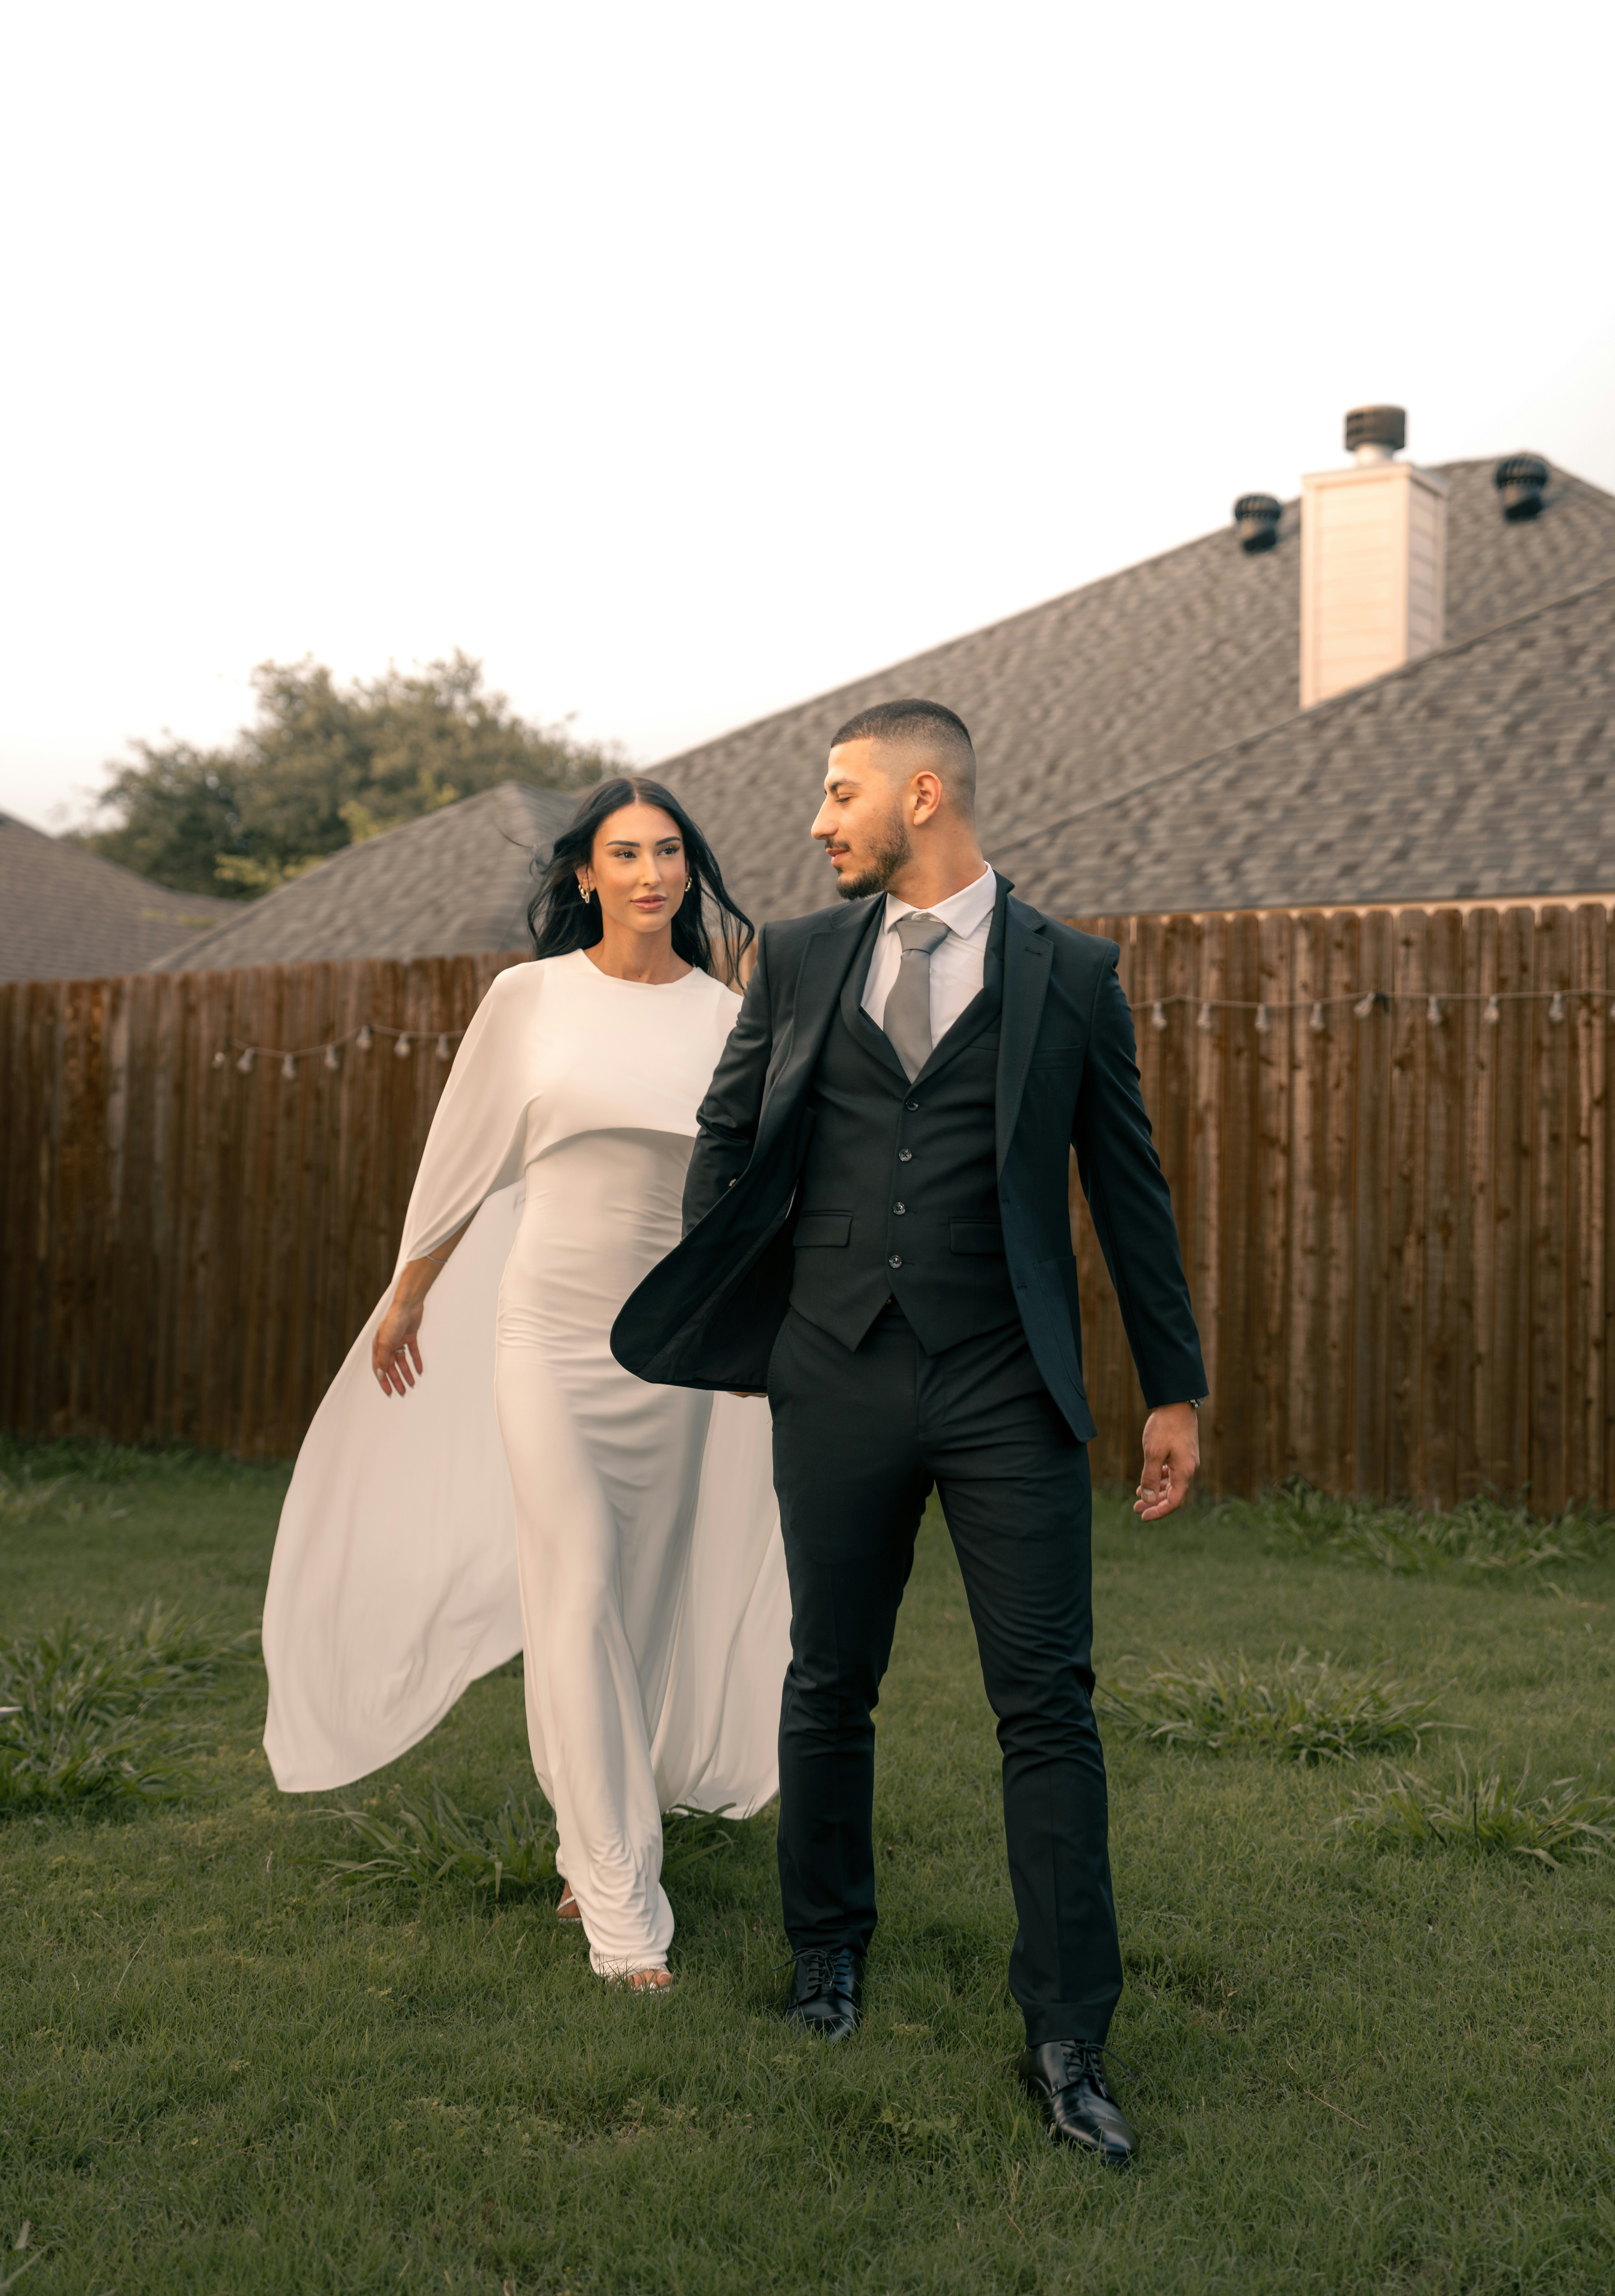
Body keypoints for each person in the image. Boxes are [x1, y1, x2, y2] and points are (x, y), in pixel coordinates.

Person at [613, 699, 1205, 2153]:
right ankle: (826, 1952)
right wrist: (752, 1319)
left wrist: (1173, 1387)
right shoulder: (802, 956)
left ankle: (1068, 2036)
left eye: (840, 795)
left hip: (1008, 1382)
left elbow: (1127, 1185)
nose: (819, 822)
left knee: (1048, 1706)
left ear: (922, 796)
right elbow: (731, 1135)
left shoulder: (1071, 972)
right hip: (835, 1373)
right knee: (830, 1676)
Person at [262, 779, 791, 1992]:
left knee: (636, 1610)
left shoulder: (727, 1017)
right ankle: (624, 1907)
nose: (652, 873)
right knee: (581, 1581)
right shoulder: (530, 998)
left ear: (690, 872)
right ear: (586, 876)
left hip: (672, 1346)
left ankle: (591, 1837)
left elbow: (750, 1193)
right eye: (627, 854)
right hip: (547, 1332)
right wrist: (410, 1290)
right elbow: (465, 1147)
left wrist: (756, 1329)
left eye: (670, 852)